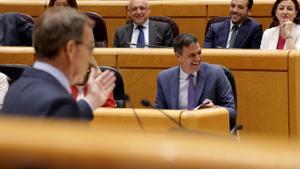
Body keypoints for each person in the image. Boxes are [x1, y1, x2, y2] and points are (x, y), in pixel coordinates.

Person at [2, 7, 116, 120]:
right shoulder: (59, 103)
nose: (90, 55)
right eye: (89, 47)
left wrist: (90, 102)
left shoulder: (16, 88)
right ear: (71, 49)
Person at [156, 34, 236, 129]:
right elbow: (159, 114)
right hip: (176, 135)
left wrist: (214, 110)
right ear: (178, 56)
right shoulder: (164, 78)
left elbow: (232, 112)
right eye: (192, 55)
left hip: (207, 134)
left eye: (199, 53)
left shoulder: (216, 74)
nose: (198, 59)